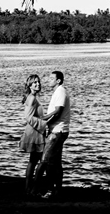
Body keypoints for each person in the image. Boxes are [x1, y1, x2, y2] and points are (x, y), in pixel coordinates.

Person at [33, 69, 71, 197]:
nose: (48, 81)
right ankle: (56, 190)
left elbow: (58, 111)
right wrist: (46, 119)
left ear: (58, 81)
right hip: (59, 130)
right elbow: (55, 112)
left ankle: (35, 189)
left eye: (51, 79)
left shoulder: (60, 91)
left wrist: (44, 120)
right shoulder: (58, 92)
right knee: (55, 162)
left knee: (44, 162)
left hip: (57, 131)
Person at [19, 74, 46, 194]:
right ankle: (32, 188)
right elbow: (28, 117)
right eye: (34, 82)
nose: (38, 84)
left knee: (34, 160)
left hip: (36, 131)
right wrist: (44, 124)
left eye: (38, 82)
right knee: (42, 160)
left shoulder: (33, 97)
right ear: (29, 86)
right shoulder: (31, 99)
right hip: (34, 132)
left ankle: (29, 187)